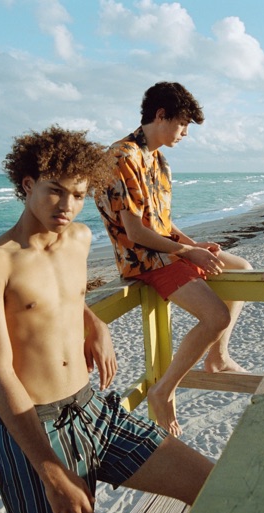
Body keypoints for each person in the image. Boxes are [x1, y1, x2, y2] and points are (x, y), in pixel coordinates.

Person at [0, 126, 213, 513]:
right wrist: (51, 473)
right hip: (35, 429)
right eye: (55, 190)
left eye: (79, 195)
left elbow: (64, 297)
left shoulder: (78, 238)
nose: (67, 205)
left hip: (94, 409)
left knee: (212, 482)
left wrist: (92, 321)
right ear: (28, 185)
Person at [94, 81, 253, 437]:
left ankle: (217, 357)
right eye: (182, 124)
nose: (185, 133)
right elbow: (136, 233)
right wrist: (185, 251)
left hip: (167, 252)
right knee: (216, 316)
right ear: (161, 115)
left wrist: (196, 245)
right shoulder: (122, 157)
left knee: (241, 268)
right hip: (145, 262)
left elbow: (164, 224)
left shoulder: (158, 160)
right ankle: (162, 390)